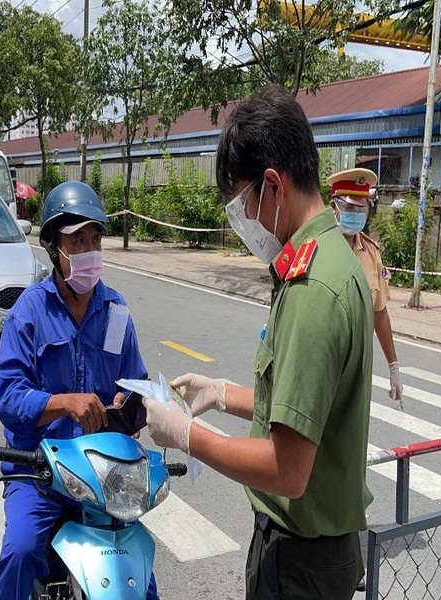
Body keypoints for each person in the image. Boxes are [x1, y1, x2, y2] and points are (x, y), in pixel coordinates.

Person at [142, 85, 374, 600]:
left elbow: (288, 471)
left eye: (241, 203)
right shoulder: (332, 258)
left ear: (273, 185)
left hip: (300, 562)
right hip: (309, 556)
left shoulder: (313, 287)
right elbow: (305, 408)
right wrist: (223, 393)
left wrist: (185, 434)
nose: (241, 220)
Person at [0, 181, 157, 600]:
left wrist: (131, 403)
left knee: (140, 576)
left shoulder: (115, 312)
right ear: (54, 248)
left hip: (102, 475)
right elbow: (8, 399)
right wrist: (63, 405)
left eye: (96, 239)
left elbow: (136, 383)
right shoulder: (28, 313)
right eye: (78, 240)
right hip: (38, 472)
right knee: (21, 553)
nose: (90, 250)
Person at [328, 168, 404, 406]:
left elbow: (379, 313)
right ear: (334, 207)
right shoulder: (318, 249)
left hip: (357, 366)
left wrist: (393, 367)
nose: (355, 214)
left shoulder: (372, 254)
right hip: (322, 359)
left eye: (361, 209)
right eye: (349, 208)